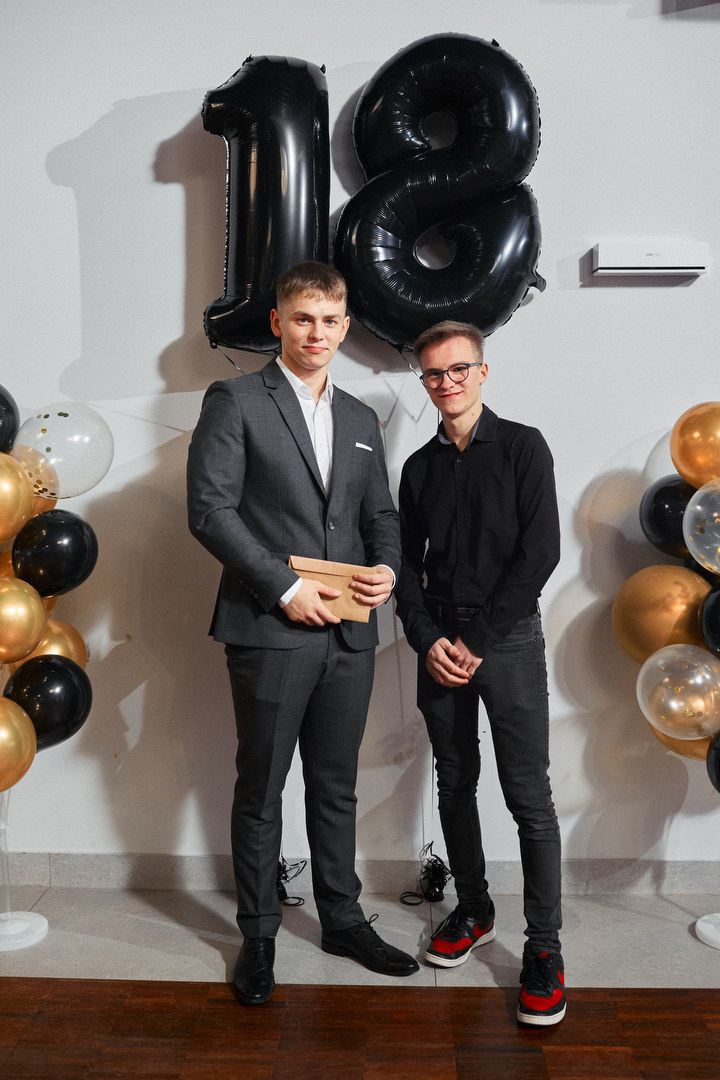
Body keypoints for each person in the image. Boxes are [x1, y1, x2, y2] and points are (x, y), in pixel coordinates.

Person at [186, 261, 418, 1006]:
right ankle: (258, 934)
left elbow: (380, 514)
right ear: (279, 323)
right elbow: (210, 510)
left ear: (345, 328)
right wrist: (284, 587)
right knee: (261, 789)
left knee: (335, 785)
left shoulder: (360, 417)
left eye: (330, 321)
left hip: (349, 634)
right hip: (268, 627)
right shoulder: (235, 400)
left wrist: (386, 568)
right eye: (303, 319)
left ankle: (342, 920)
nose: (317, 333)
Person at [394, 320, 564, 1026]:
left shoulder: (524, 446)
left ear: (483, 372)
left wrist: (480, 640)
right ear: (424, 381)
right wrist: (428, 638)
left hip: (509, 641)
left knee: (529, 797)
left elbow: (542, 552)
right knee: (454, 781)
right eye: (434, 374)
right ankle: (474, 908)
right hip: (440, 644)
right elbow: (403, 568)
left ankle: (545, 948)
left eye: (459, 369)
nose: (447, 383)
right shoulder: (418, 469)